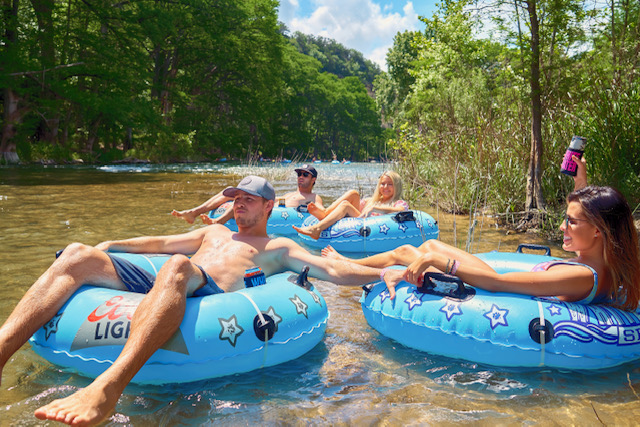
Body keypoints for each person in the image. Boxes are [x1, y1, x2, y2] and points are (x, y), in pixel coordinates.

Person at [0, 175, 381, 426]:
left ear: (268, 207)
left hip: (208, 291)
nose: (239, 204)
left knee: (179, 267)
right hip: (171, 279)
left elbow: (331, 272)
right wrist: (108, 245)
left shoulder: (277, 246)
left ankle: (108, 388)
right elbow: (160, 244)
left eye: (249, 199)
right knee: (76, 254)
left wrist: (382, 272)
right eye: (235, 198)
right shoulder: (214, 231)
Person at [324, 157, 640, 310]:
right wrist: (579, 183)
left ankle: (341, 270)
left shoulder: (583, 277)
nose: (561, 227)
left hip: (494, 294)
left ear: (598, 231)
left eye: (570, 222)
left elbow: (498, 282)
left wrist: (439, 263)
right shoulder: (605, 262)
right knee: (431, 241)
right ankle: (358, 268)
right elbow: (592, 219)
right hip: (501, 282)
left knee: (411, 252)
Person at [171, 165, 323, 225]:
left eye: (305, 174)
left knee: (242, 200)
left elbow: (322, 212)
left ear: (313, 179)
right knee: (231, 193)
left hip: (272, 211)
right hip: (271, 205)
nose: (300, 176)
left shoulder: (315, 197)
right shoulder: (291, 193)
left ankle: (218, 222)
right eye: (299, 174)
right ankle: (194, 212)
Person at [293, 170, 409, 240]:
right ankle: (325, 214)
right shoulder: (371, 201)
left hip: (373, 229)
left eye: (390, 184)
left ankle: (317, 228)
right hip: (360, 221)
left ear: (396, 186)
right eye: (382, 184)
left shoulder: (398, 203)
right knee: (353, 194)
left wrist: (375, 208)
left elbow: (399, 210)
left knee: (345, 205)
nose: (385, 187)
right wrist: (371, 204)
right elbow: (358, 207)